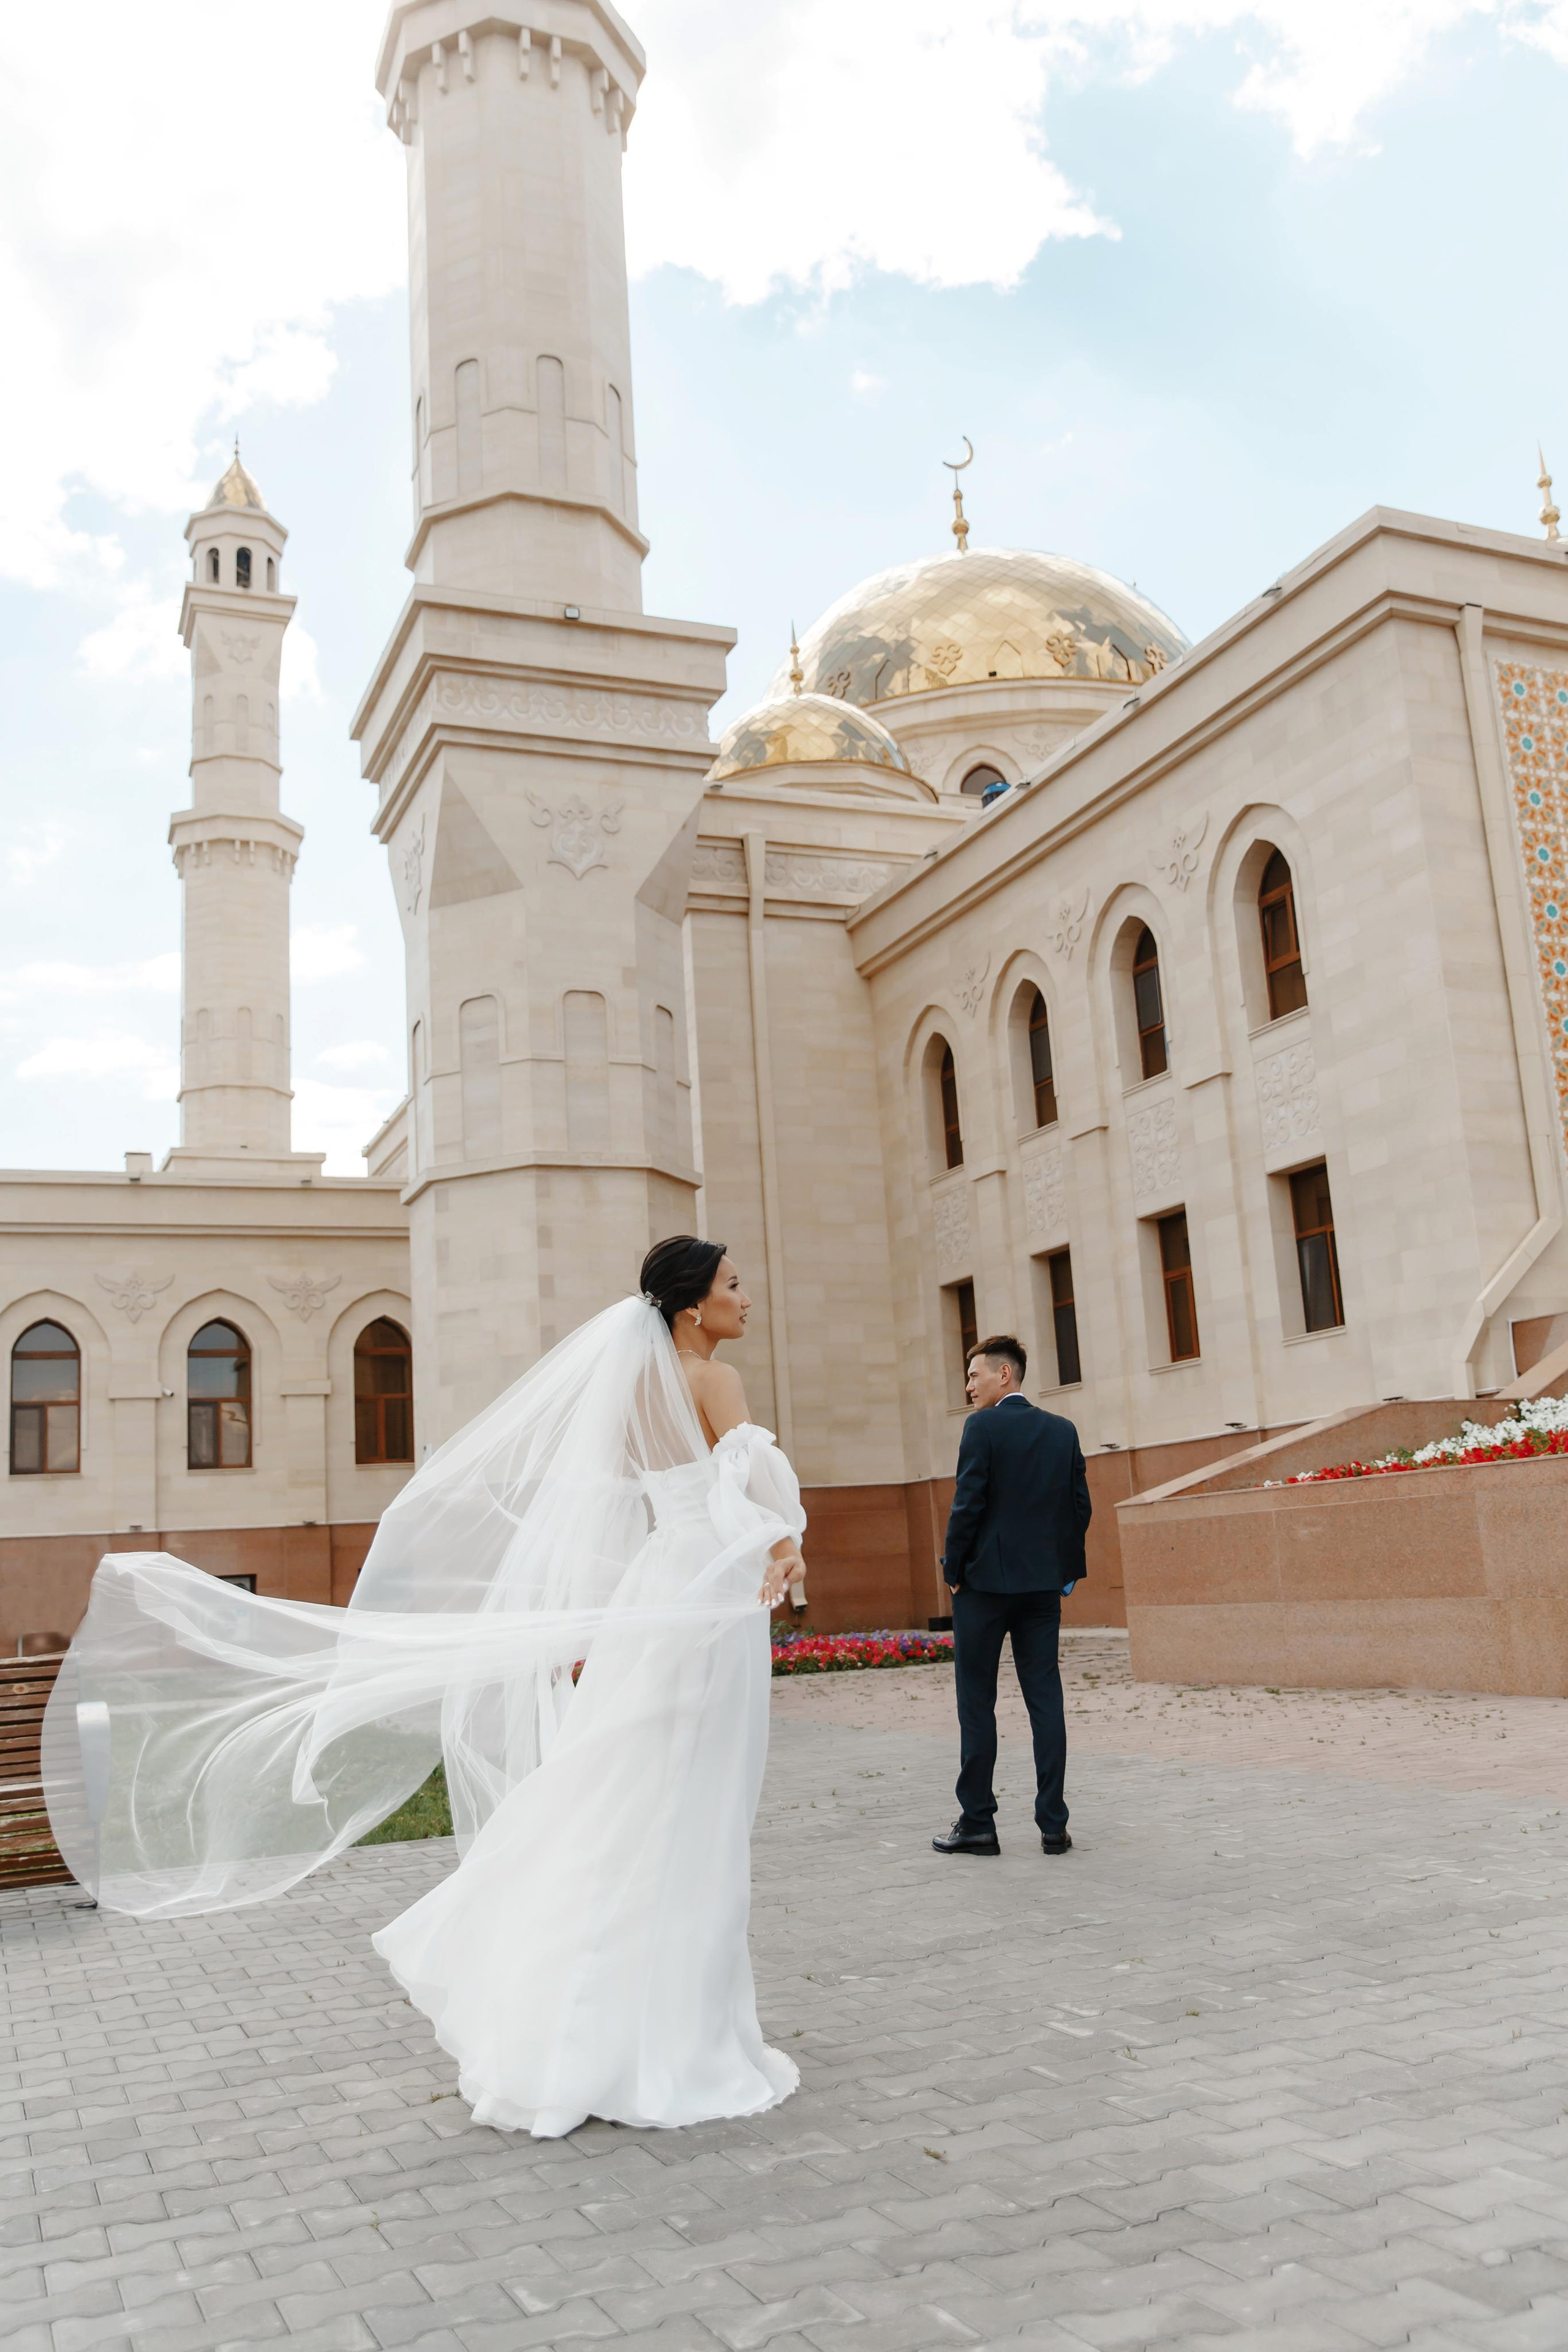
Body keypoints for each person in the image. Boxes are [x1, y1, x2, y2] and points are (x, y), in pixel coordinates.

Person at [43, 1238, 808, 2139]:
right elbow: (749, 1499)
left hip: (656, 1592)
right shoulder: (710, 1380)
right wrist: (786, 1543)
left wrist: (615, 1609)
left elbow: (629, 1509)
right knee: (692, 1808)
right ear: (691, 1308)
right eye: (732, 1286)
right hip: (705, 1606)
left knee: (633, 1794)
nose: (745, 1300)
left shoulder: (632, 1389)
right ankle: (668, 2039)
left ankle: (582, 2025)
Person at [932, 1333, 1091, 1858]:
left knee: (977, 1703)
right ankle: (1053, 1825)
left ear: (1005, 1376)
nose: (969, 1386)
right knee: (1046, 1699)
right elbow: (1079, 1508)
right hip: (1042, 1590)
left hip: (983, 1589)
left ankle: (978, 1823)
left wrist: (953, 1570)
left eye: (974, 1375)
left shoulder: (982, 1427)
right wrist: (1060, 1571)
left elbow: (967, 1506)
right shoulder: (1062, 1431)